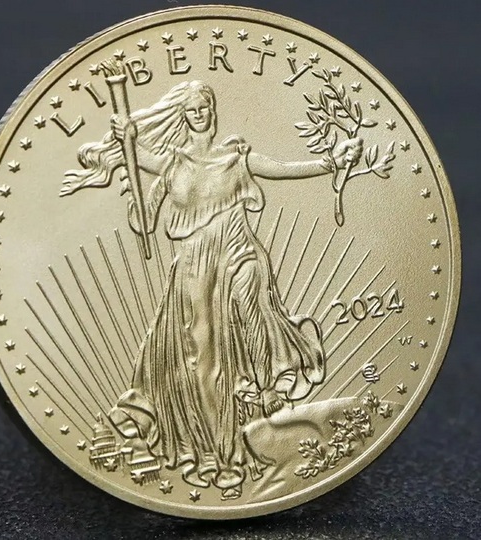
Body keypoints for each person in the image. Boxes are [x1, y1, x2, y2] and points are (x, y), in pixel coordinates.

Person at [62, 80, 362, 499]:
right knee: (202, 359)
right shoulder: (171, 165)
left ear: (213, 111)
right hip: (194, 268)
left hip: (238, 250)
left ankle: (268, 390)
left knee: (252, 299)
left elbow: (282, 168)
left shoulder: (235, 157)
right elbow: (145, 220)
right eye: (192, 109)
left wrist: (331, 162)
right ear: (184, 117)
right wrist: (127, 150)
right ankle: (222, 454)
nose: (200, 114)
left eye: (205, 107)